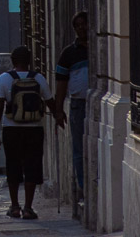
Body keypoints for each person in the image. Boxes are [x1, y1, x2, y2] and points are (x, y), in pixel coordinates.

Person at [0, 45, 63, 220]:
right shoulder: (39, 78)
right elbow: (49, 101)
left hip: (11, 129)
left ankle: (15, 207)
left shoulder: (4, 79)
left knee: (13, 165)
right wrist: (58, 116)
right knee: (33, 165)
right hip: (34, 129)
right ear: (29, 61)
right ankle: (28, 208)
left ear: (12, 61)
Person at [53, 11, 90, 197]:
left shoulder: (100, 47)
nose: (81, 28)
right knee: (78, 148)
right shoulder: (68, 54)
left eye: (84, 24)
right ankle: (83, 186)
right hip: (78, 105)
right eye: (78, 25)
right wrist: (58, 111)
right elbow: (61, 84)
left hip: (92, 104)